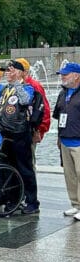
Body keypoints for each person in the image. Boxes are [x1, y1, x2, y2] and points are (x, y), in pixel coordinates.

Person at [0, 60, 40, 214]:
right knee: (8, 169)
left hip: (20, 134)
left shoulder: (27, 87)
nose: (8, 73)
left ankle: (32, 202)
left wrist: (17, 83)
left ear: (21, 72)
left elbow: (25, 100)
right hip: (5, 135)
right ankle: (13, 198)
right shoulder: (5, 89)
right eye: (6, 71)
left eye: (11, 70)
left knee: (25, 169)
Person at [53, 62, 80, 220]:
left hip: (78, 140)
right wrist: (58, 136)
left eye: (66, 74)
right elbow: (59, 116)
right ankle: (75, 204)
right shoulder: (63, 93)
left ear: (76, 75)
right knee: (70, 175)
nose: (62, 77)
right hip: (65, 139)